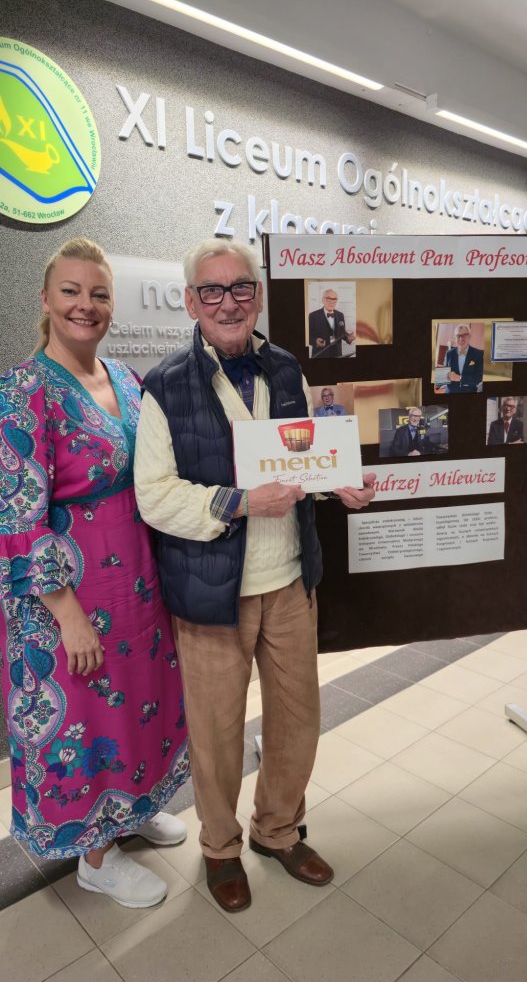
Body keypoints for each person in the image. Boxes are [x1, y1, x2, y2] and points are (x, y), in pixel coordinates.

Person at [134, 239, 374, 914]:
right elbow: (154, 495)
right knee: (215, 736)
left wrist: (340, 485)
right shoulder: (163, 385)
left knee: (299, 721)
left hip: (290, 581)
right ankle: (220, 847)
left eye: (241, 287)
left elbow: (302, 463)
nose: (228, 302)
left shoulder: (287, 369)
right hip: (212, 594)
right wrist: (237, 502)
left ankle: (277, 830)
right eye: (211, 290)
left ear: (258, 297)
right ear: (191, 302)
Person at [0, 239, 190, 909]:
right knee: (89, 720)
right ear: (46, 300)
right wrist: (68, 615)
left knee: (136, 706)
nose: (86, 305)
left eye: (99, 293)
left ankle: (133, 809)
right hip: (69, 595)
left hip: (135, 582)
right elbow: (18, 515)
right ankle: (96, 858)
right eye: (72, 291)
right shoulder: (24, 391)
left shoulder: (127, 380)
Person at [308, 288, 356, 358]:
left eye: (334, 299)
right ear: (323, 300)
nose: (332, 302)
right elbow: (308, 336)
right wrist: (315, 341)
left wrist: (349, 337)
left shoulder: (340, 315)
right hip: (320, 356)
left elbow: (342, 333)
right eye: (329, 299)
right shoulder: (313, 315)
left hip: (337, 355)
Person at [444, 324, 484, 393]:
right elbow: (445, 374)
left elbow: (479, 378)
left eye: (464, 335)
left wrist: (460, 378)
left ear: (469, 336)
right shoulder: (449, 353)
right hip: (450, 392)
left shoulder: (479, 354)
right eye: (458, 336)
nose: (461, 339)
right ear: (455, 337)